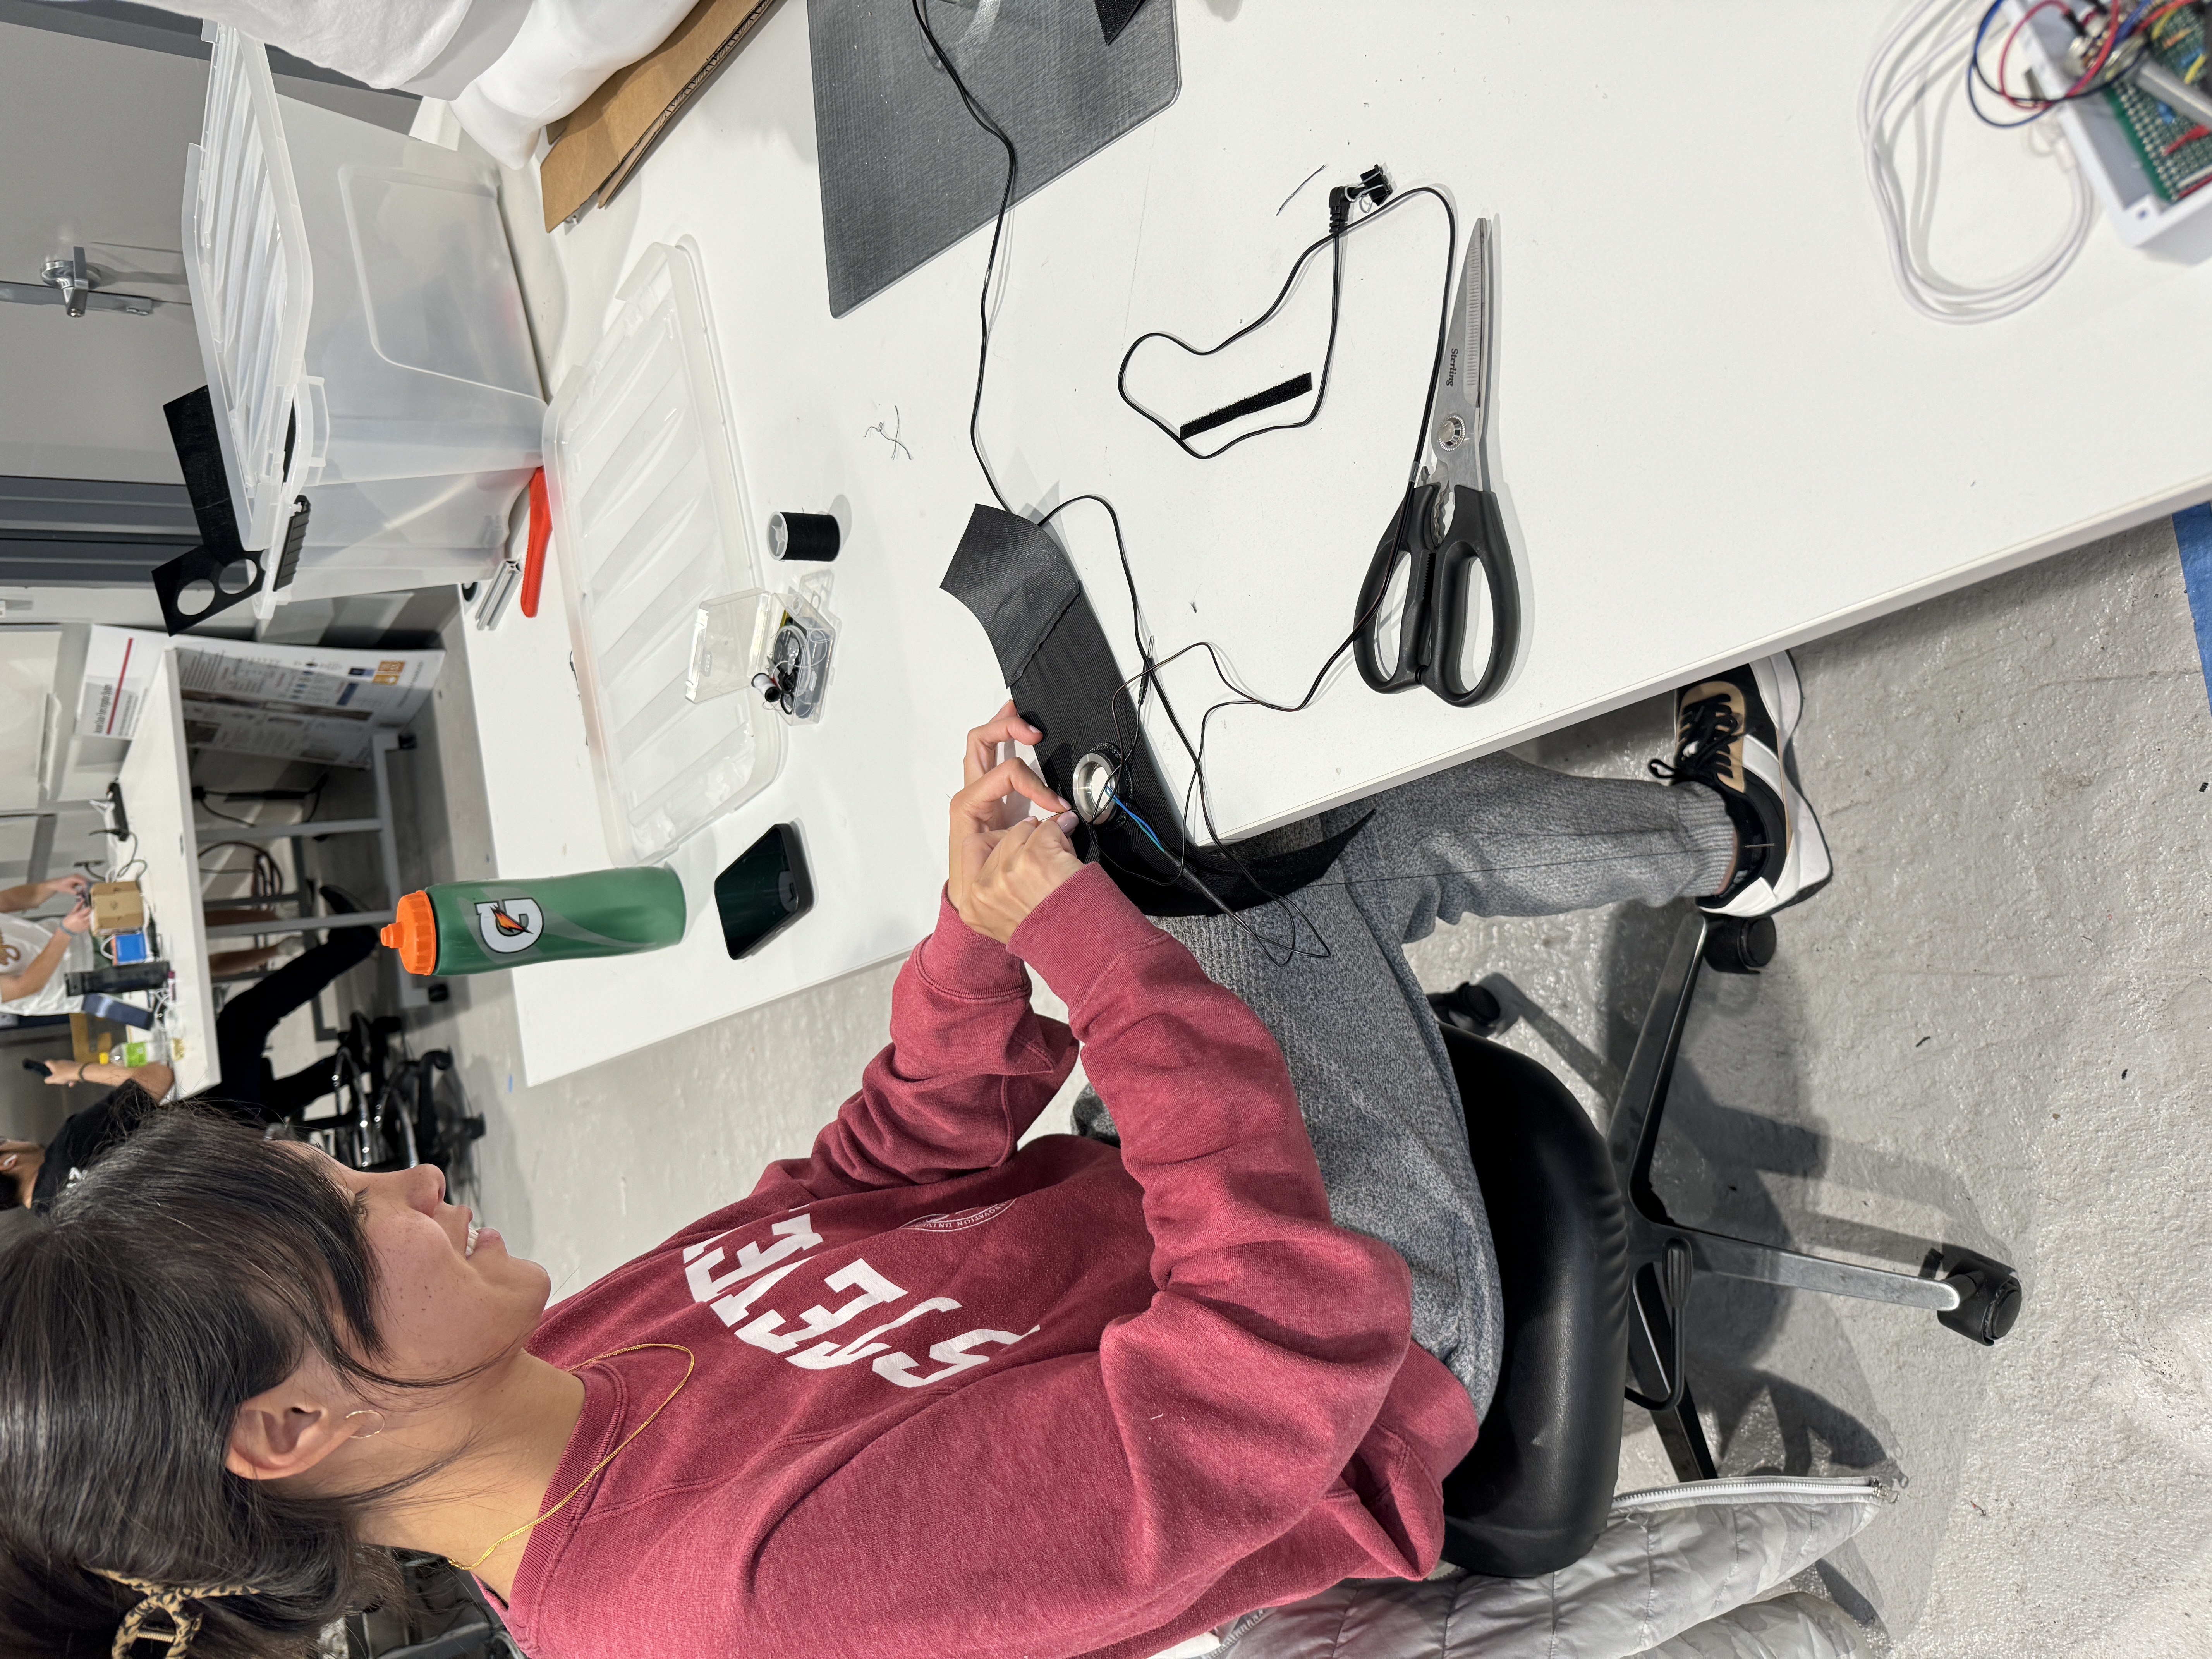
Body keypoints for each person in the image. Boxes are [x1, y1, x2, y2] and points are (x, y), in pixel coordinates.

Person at [0, 658, 1826, 1659]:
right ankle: (1744, 830)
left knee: (1153, 813)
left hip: (1191, 1238)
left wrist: (980, 933)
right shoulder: (731, 1601)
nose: (407, 1183)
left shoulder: (557, 1362)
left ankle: (1703, 836)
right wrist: (1098, 952)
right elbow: (1264, 1373)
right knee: (1268, 862)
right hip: (1364, 1348)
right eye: (349, 1220)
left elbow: (870, 1183)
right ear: (290, 1429)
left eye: (347, 1171)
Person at [0, 874, 95, 1017]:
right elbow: (25, 987)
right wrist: (65, 933)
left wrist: (52, 886)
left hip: (84, 935)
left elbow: (12, 900)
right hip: (80, 982)